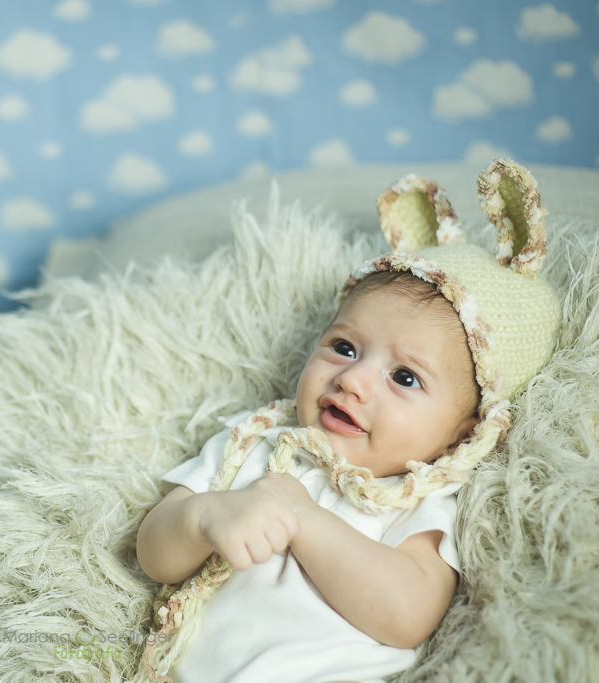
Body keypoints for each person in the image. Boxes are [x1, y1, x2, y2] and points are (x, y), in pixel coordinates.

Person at [136, 160, 562, 683]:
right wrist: (205, 519)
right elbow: (154, 553)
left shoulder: (416, 497)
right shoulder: (256, 442)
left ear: (462, 433)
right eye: (344, 347)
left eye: (405, 378)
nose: (353, 381)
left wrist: (304, 517)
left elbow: (408, 614)